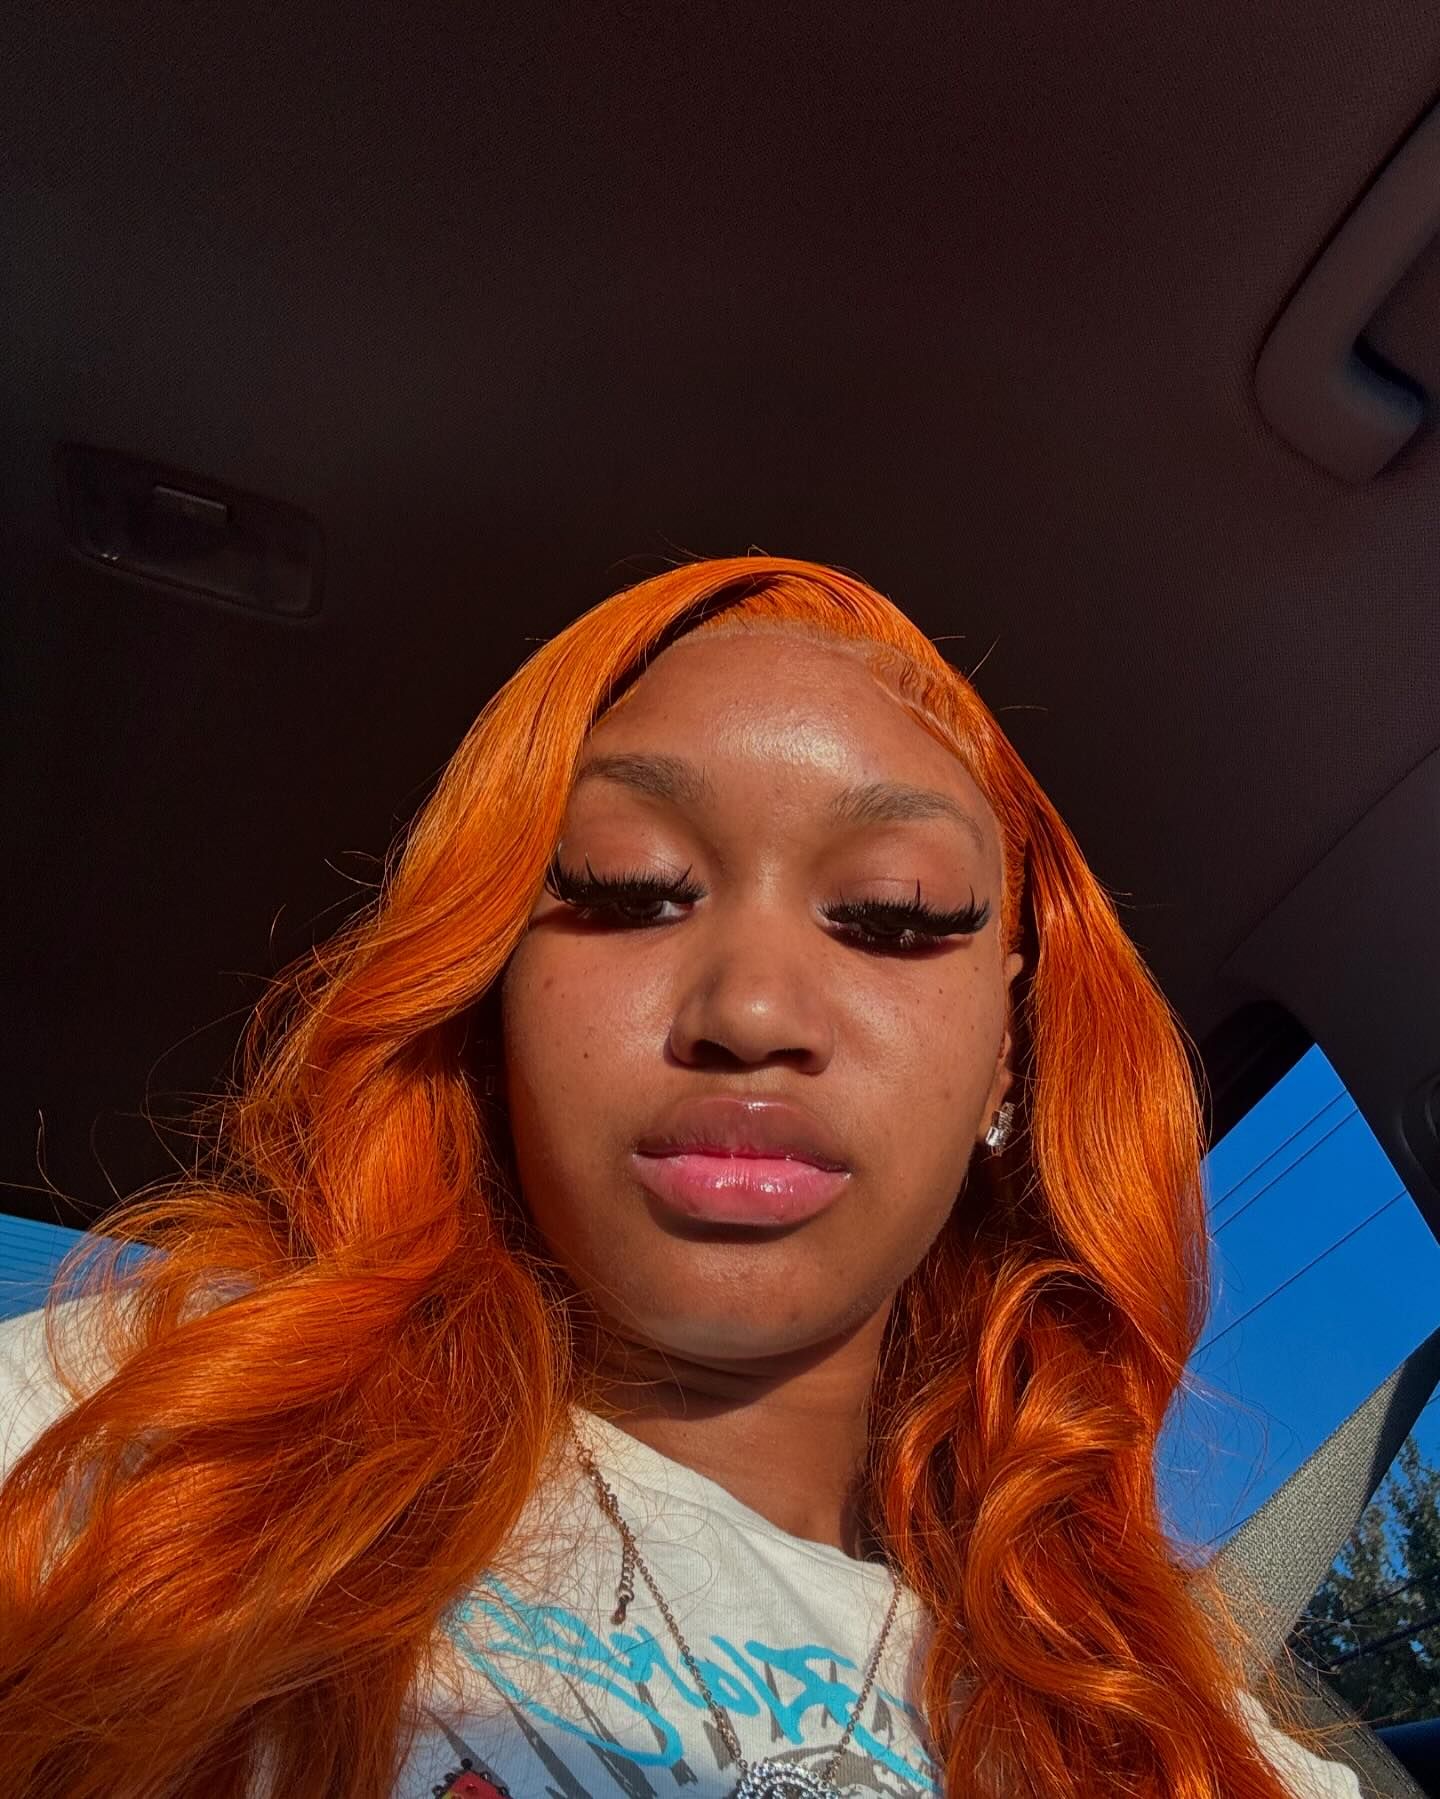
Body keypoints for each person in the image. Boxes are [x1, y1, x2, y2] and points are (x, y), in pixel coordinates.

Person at [0, 556, 1360, 1798]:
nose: (751, 1009)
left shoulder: (1192, 1750)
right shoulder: (133, 1437)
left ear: (1010, 1047)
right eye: (628, 887)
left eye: (892, 916)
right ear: (492, 988)